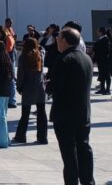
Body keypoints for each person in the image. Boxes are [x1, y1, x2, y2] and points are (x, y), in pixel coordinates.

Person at [47, 27, 95, 185]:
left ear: (65, 40)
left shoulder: (63, 59)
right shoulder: (86, 58)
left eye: (58, 38)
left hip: (65, 115)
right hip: (83, 113)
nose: (56, 41)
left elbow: (55, 87)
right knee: (84, 149)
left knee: (69, 156)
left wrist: (47, 84)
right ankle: (88, 181)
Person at [13, 38, 47, 145]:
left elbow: (20, 74)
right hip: (39, 86)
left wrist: (19, 86)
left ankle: (21, 136)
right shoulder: (40, 55)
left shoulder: (23, 57)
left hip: (28, 86)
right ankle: (42, 138)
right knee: (41, 113)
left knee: (25, 114)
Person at [93, 27, 110, 95]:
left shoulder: (106, 39)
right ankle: (102, 89)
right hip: (100, 60)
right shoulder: (101, 39)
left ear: (101, 32)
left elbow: (106, 51)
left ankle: (107, 90)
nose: (97, 32)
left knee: (106, 75)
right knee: (101, 75)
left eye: (98, 31)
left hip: (105, 61)